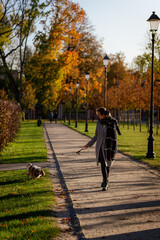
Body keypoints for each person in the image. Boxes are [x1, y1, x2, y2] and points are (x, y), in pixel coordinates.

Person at [83, 107, 121, 191]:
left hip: (109, 148)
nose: (98, 116)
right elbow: (96, 136)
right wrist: (88, 145)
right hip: (100, 147)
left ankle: (105, 180)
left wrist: (115, 150)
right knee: (103, 164)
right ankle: (105, 182)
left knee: (108, 165)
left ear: (103, 115)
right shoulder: (99, 123)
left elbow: (115, 138)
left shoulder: (112, 123)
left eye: (99, 115)